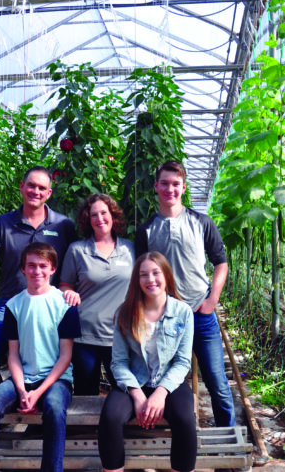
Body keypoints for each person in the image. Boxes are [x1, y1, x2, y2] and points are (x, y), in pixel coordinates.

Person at [0, 166, 77, 399]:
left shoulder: (63, 226)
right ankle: (6, 406)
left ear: (49, 193)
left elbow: (77, 264)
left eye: (42, 188)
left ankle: (41, 402)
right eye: (31, 185)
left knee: (62, 362)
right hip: (11, 306)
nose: (35, 191)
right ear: (21, 187)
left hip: (51, 309)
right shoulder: (4, 223)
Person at [134, 160, 236, 427]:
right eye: (164, 183)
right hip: (165, 318)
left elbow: (221, 261)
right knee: (162, 379)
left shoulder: (201, 222)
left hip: (200, 314)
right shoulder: (146, 230)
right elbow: (141, 274)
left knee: (216, 380)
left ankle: (229, 436)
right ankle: (167, 432)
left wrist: (212, 299)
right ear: (156, 186)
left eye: (176, 184)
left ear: (184, 187)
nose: (170, 189)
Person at [0, 242, 81, 472]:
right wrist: (22, 390)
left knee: (55, 409)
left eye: (42, 266)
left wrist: (37, 393)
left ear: (53, 269)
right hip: (23, 377)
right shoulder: (14, 306)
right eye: (31, 266)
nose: (37, 271)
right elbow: (14, 355)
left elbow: (65, 357)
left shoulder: (64, 305)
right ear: (23, 269)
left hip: (56, 380)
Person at [98, 252, 196, 472]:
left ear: (166, 276)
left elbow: (182, 362)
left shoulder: (183, 312)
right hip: (134, 381)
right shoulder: (124, 313)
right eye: (143, 275)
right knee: (110, 417)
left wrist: (160, 393)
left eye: (155, 273)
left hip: (169, 381)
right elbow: (119, 362)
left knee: (184, 419)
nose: (150, 280)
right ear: (137, 280)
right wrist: (138, 395)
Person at [59, 194, 135, 395]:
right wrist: (69, 293)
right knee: (85, 391)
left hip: (121, 334)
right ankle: (86, 428)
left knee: (124, 389)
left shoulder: (129, 249)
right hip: (85, 334)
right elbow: (65, 285)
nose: (100, 218)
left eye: (104, 213)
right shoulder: (77, 250)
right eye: (94, 215)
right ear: (87, 219)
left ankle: (116, 427)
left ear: (113, 215)